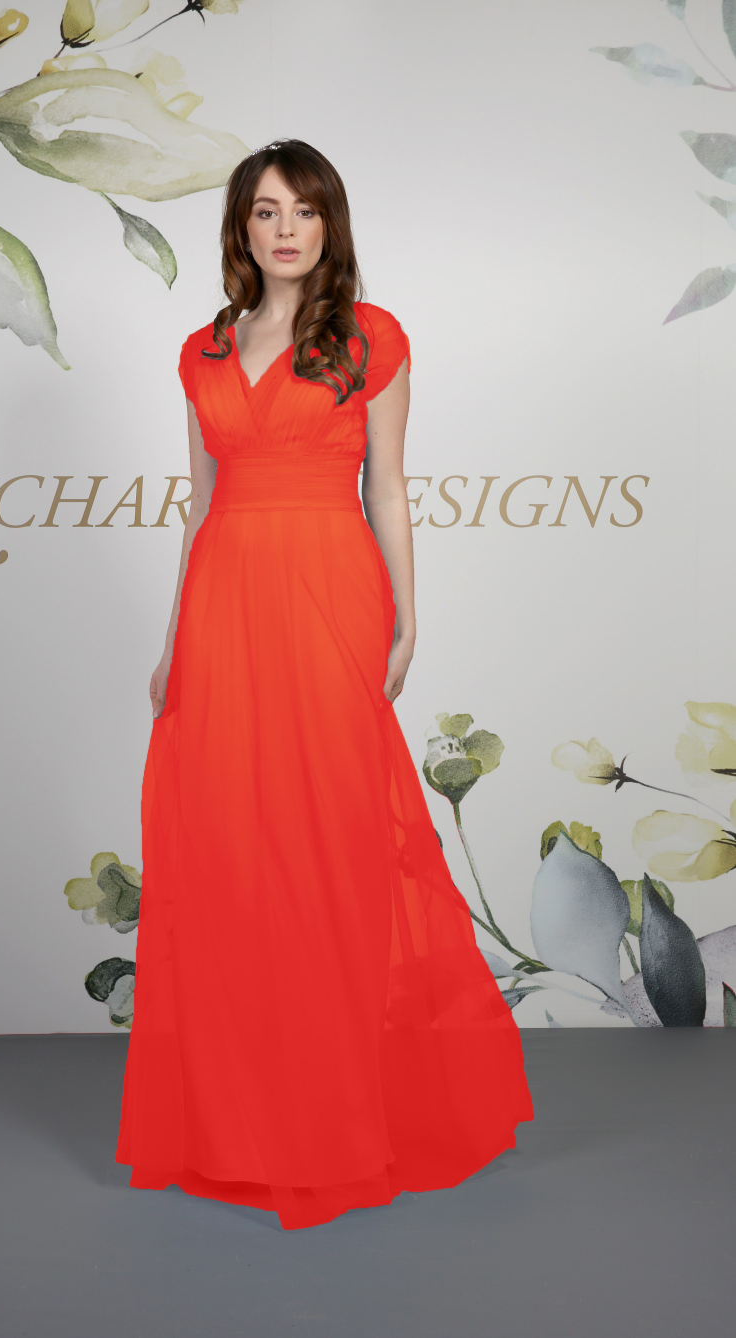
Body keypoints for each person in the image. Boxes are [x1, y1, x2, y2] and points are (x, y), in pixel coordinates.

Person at [116, 138, 534, 1231]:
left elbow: (387, 488)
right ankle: (240, 1117)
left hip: (329, 594)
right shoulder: (203, 351)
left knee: (332, 839)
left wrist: (406, 613)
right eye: (265, 211)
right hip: (224, 604)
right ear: (241, 229)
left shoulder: (368, 337)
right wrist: (173, 638)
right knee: (230, 845)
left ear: (328, 223)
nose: (285, 229)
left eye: (303, 210)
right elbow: (200, 504)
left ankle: (342, 1110)